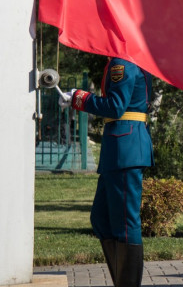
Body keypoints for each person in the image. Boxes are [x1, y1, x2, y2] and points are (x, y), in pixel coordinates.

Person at [61, 57, 154, 287]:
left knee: (125, 223)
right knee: (101, 219)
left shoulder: (122, 63)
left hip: (126, 149)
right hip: (121, 149)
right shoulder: (130, 60)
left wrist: (79, 98)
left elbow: (115, 106)